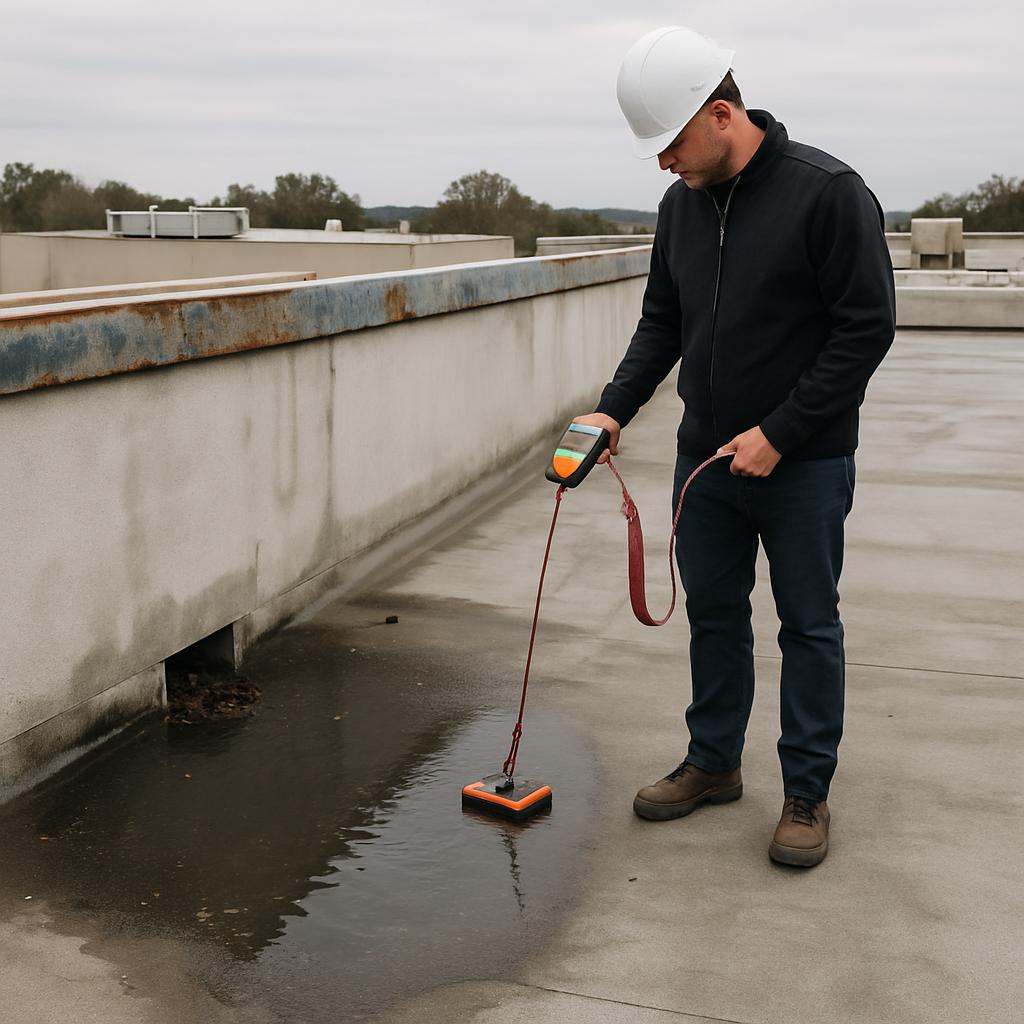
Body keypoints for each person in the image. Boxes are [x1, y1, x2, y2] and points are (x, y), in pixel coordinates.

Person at [574, 26, 896, 867]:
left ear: (723, 114)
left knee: (808, 626)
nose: (661, 165)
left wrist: (782, 434)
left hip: (806, 464)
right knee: (714, 617)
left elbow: (865, 331)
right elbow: (662, 325)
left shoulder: (829, 194)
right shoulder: (680, 207)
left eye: (671, 145)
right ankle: (714, 763)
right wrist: (613, 412)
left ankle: (806, 793)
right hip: (704, 463)